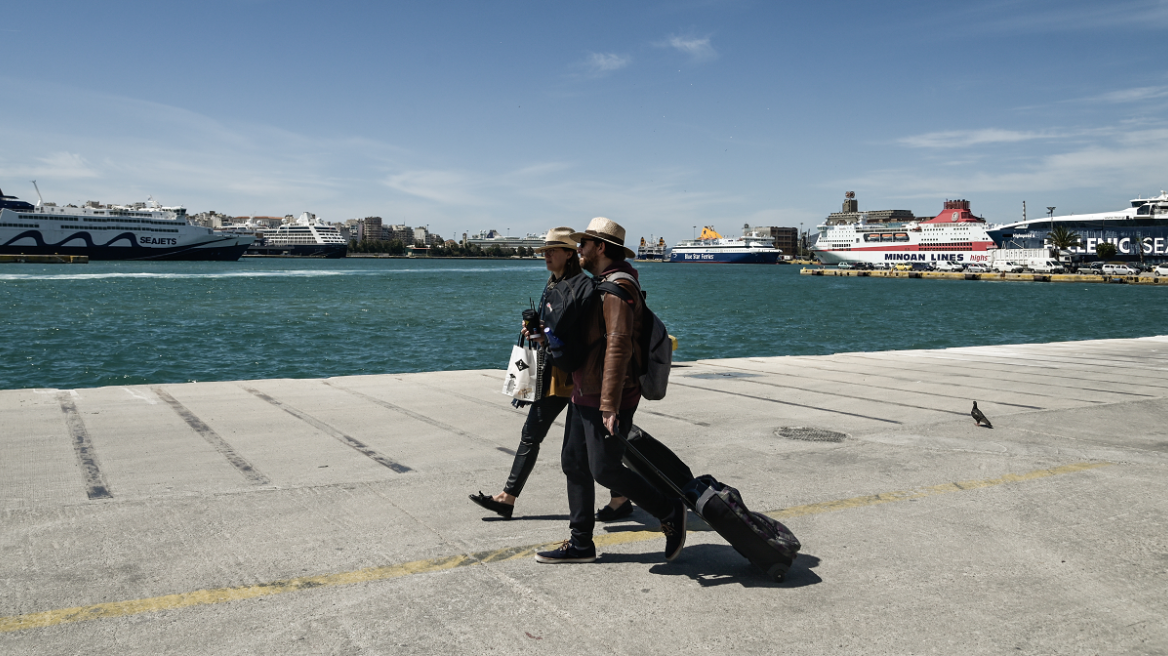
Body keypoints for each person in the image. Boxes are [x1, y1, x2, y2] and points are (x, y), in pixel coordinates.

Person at [535, 217, 687, 564]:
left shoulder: (617, 289)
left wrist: (609, 405)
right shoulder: (604, 284)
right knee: (573, 462)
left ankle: (668, 510)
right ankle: (581, 543)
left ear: (601, 248)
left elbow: (618, 345)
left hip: (606, 394)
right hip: (585, 387)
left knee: (603, 468)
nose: (580, 250)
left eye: (585, 244)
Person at [470, 227, 627, 519]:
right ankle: (508, 497)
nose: (546, 256)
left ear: (569, 253)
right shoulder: (555, 283)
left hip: (572, 376)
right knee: (544, 436)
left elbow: (581, 334)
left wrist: (547, 335)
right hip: (555, 372)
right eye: (544, 251)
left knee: (591, 447)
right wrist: (535, 328)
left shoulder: (582, 286)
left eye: (552, 250)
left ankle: (627, 498)